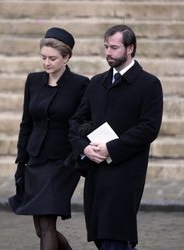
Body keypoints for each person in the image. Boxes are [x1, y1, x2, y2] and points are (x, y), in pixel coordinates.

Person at [69, 24, 163, 250]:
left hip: (126, 170)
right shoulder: (96, 82)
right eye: (105, 47)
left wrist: (112, 148)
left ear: (130, 48)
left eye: (114, 47)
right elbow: (76, 121)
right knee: (101, 235)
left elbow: (149, 128)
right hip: (96, 169)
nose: (108, 53)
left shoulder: (149, 84)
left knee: (116, 235)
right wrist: (84, 148)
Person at [8, 27, 89, 250]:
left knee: (46, 222)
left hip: (63, 162)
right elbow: (26, 123)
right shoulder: (33, 81)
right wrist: (21, 161)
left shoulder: (81, 84)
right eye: (43, 57)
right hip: (35, 159)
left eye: (52, 58)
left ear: (67, 57)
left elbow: (85, 122)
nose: (46, 63)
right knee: (41, 229)